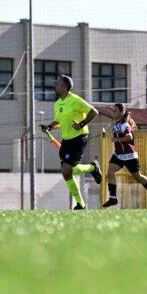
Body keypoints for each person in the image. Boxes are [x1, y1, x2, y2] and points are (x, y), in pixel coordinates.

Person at [40, 75, 100, 210]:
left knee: (67, 169)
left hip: (79, 136)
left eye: (58, 83)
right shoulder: (57, 103)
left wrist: (82, 124)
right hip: (67, 139)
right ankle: (81, 203)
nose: (55, 85)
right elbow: (59, 122)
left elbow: (93, 112)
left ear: (64, 87)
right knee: (67, 172)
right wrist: (49, 127)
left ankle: (92, 168)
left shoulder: (75, 100)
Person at [102, 103, 147, 209]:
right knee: (110, 172)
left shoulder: (125, 125)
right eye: (113, 110)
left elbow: (129, 137)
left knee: (137, 177)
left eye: (115, 111)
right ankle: (113, 197)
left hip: (129, 155)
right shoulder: (116, 125)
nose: (113, 113)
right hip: (119, 155)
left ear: (121, 112)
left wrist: (117, 139)